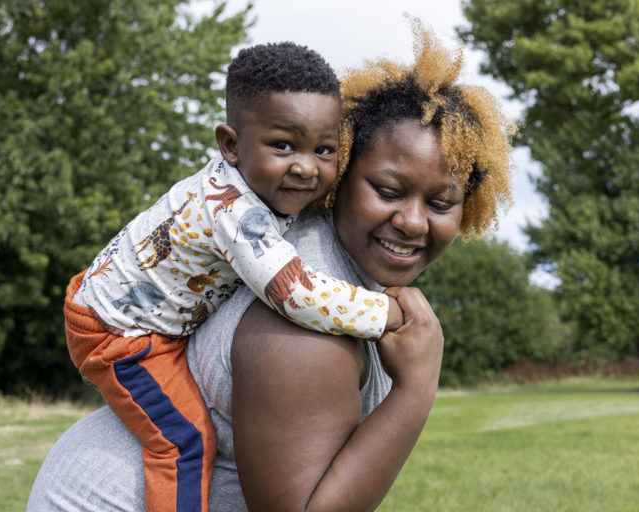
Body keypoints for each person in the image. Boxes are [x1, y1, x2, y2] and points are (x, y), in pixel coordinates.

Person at [28, 20, 515, 511]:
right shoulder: (309, 327)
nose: (412, 221)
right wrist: (416, 388)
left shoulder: (315, 255)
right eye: (386, 191)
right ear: (341, 176)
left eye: (441, 202)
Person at [63, 42, 404, 512]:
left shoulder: (254, 189)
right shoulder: (235, 213)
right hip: (121, 335)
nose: (305, 166)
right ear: (230, 145)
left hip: (123, 303)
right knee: (183, 441)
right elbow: (298, 294)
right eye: (283, 145)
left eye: (324, 150)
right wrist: (386, 312)